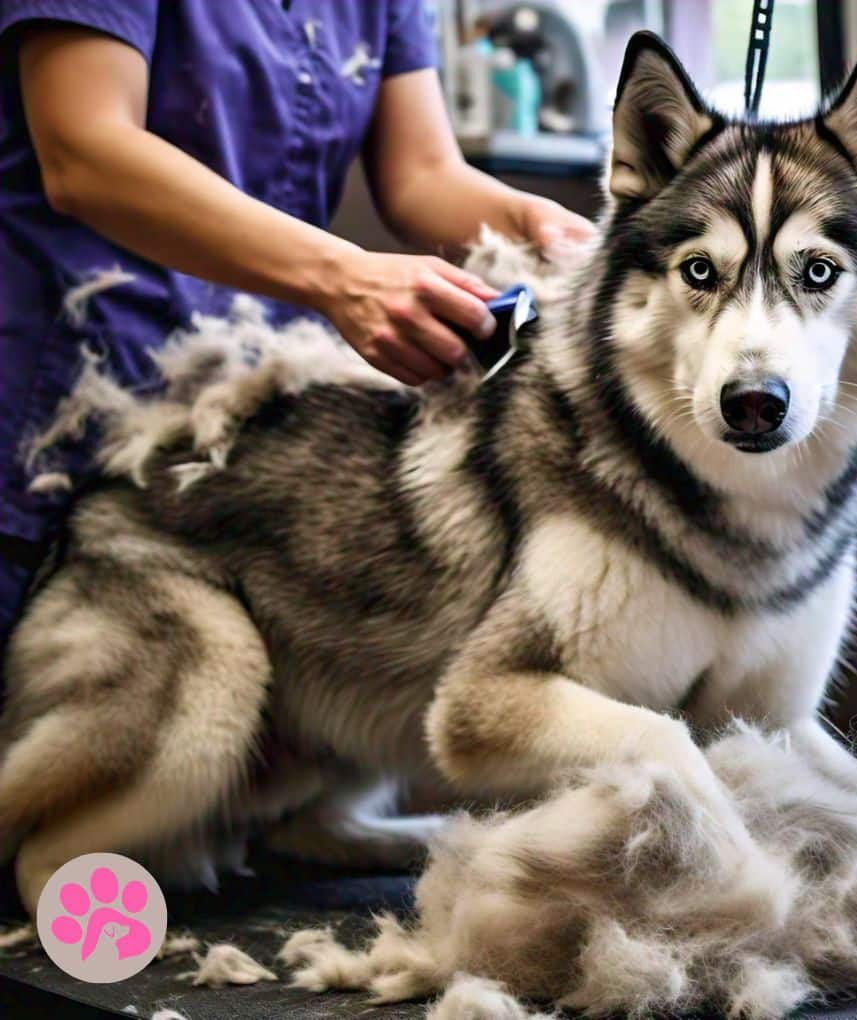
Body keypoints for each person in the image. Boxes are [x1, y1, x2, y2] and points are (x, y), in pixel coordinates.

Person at [0, 1, 594, 660]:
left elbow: (421, 175)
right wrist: (343, 276)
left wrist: (534, 223)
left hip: (226, 451)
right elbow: (85, 152)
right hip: (64, 396)